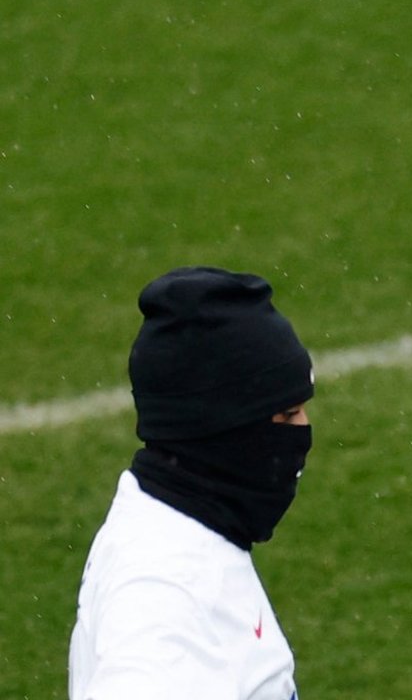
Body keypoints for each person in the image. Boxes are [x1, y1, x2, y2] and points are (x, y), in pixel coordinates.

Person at [69, 266, 315, 699]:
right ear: (222, 427)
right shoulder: (166, 597)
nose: (304, 431)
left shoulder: (180, 526)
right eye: (287, 414)